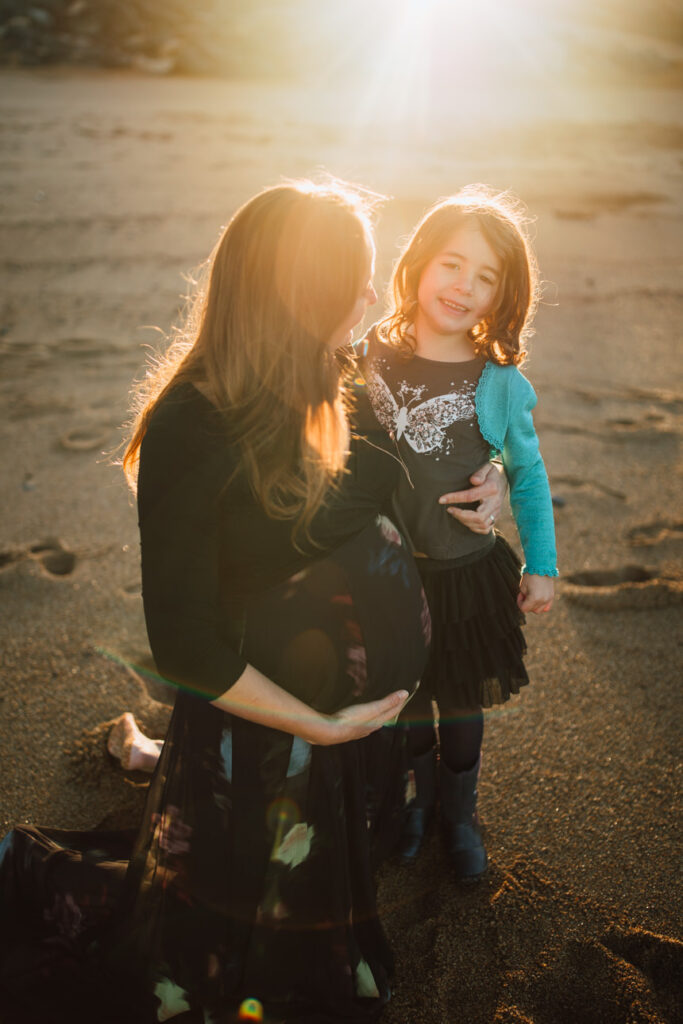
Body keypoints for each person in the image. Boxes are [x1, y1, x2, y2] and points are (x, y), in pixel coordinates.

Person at [0, 179, 504, 1024]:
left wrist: (491, 480)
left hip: (338, 734)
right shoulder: (190, 425)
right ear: (294, 289)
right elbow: (189, 643)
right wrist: (318, 723)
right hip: (267, 724)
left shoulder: (330, 378)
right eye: (354, 278)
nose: (370, 298)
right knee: (213, 953)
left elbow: (423, 463)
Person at [355, 184, 558, 880]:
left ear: (502, 297)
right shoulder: (363, 358)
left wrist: (542, 565)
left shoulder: (497, 380)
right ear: (415, 265)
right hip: (385, 573)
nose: (463, 286)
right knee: (402, 698)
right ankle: (411, 805)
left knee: (460, 699)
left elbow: (526, 474)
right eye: (451, 264)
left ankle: (457, 814)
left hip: (465, 570)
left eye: (485, 277)